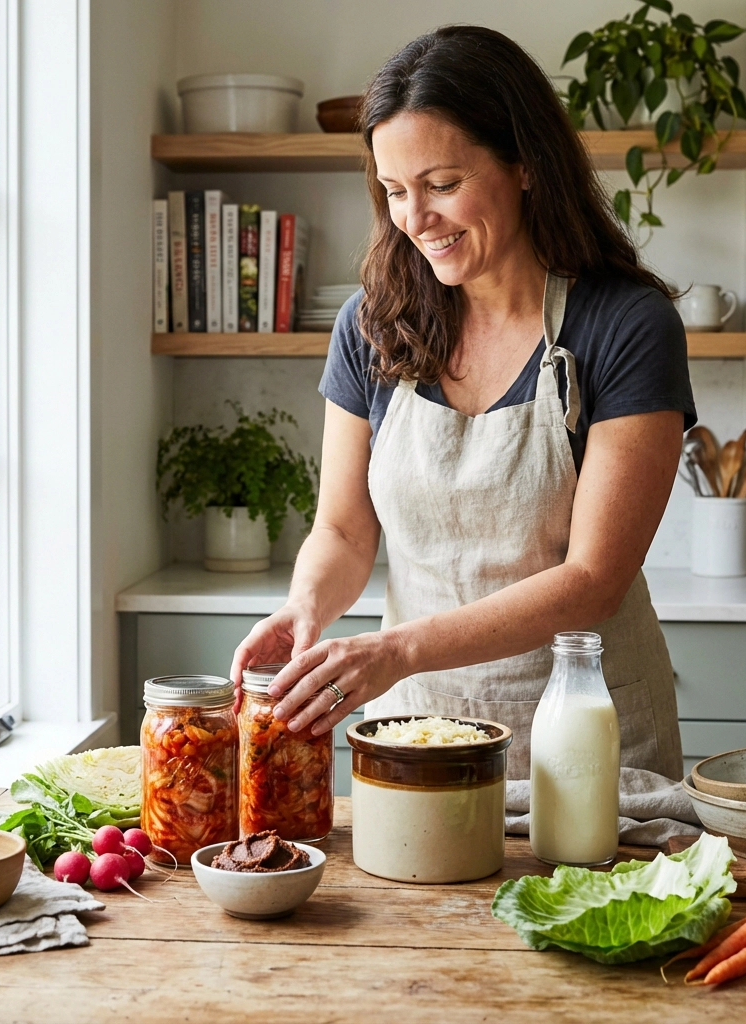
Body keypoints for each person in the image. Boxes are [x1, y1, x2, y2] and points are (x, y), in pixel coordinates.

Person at [230, 25, 694, 781]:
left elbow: (592, 581)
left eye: (442, 185)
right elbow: (345, 531)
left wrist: (399, 647)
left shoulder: (626, 325)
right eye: (394, 191)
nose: (416, 219)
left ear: (524, 165)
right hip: (418, 736)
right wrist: (306, 608)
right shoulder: (371, 324)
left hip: (586, 745)